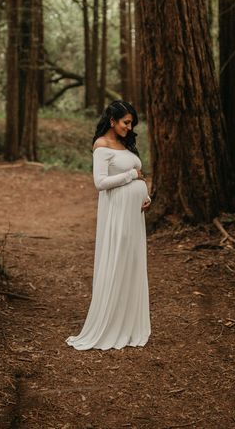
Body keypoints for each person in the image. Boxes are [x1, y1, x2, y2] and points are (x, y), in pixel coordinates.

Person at [66, 100, 151, 350]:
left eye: (131, 123)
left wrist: (145, 195)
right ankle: (112, 322)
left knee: (132, 262)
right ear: (112, 121)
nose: (129, 126)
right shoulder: (101, 146)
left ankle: (129, 323)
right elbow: (100, 183)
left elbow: (140, 175)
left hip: (134, 215)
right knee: (118, 260)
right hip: (117, 214)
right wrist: (132, 177)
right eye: (126, 122)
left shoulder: (124, 144)